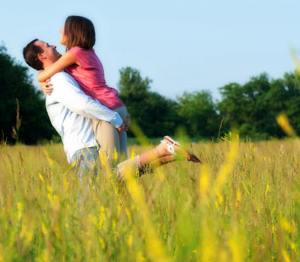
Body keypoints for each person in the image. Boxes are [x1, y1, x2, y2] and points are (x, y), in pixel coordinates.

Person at [23, 39, 201, 181]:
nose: (54, 45)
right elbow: (80, 102)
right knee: (118, 179)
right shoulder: (58, 79)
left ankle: (163, 150)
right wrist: (114, 117)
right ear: (41, 56)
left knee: (101, 191)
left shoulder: (59, 78)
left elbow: (83, 102)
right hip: (87, 144)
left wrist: (114, 117)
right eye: (47, 46)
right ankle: (168, 154)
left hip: (87, 145)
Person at [36, 16, 129, 166]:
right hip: (116, 105)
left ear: (73, 32)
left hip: (106, 109)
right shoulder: (86, 52)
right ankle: (160, 154)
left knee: (110, 169)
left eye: (64, 28)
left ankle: (161, 152)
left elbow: (47, 72)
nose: (60, 30)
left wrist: (40, 79)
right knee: (123, 167)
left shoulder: (74, 53)